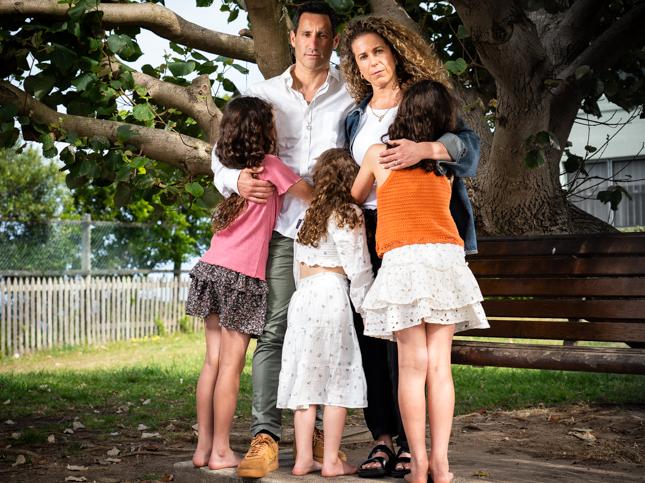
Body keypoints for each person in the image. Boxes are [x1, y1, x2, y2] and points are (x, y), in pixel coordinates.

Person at [211, 2, 354, 478]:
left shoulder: (351, 96)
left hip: (329, 238)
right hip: (277, 231)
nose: (314, 43)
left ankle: (315, 438)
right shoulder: (263, 93)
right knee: (273, 332)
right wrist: (236, 184)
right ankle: (265, 436)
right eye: (306, 34)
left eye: (323, 35)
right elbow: (222, 155)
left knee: (329, 334)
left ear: (334, 40)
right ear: (292, 38)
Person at [339, 15, 481, 478]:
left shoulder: (427, 101)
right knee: (378, 344)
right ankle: (387, 440)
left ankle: (412, 452)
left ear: (394, 51)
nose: (373, 62)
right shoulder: (356, 116)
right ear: (356, 67)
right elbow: (352, 186)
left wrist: (427, 151)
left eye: (378, 51)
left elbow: (469, 149)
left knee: (412, 358)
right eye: (363, 56)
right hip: (381, 232)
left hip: (418, 233)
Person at [187, 96, 313, 470]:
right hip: (241, 278)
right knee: (231, 366)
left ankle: (203, 448)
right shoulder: (270, 165)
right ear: (264, 130)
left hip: (211, 269)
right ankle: (223, 450)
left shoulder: (234, 171)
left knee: (211, 362)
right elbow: (309, 197)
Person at [277, 148, 373, 477]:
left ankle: (303, 458)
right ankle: (331, 460)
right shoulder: (347, 213)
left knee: (305, 376)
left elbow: (295, 266)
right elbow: (358, 269)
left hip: (303, 298)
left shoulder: (307, 215)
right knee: (337, 375)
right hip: (332, 294)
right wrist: (366, 310)